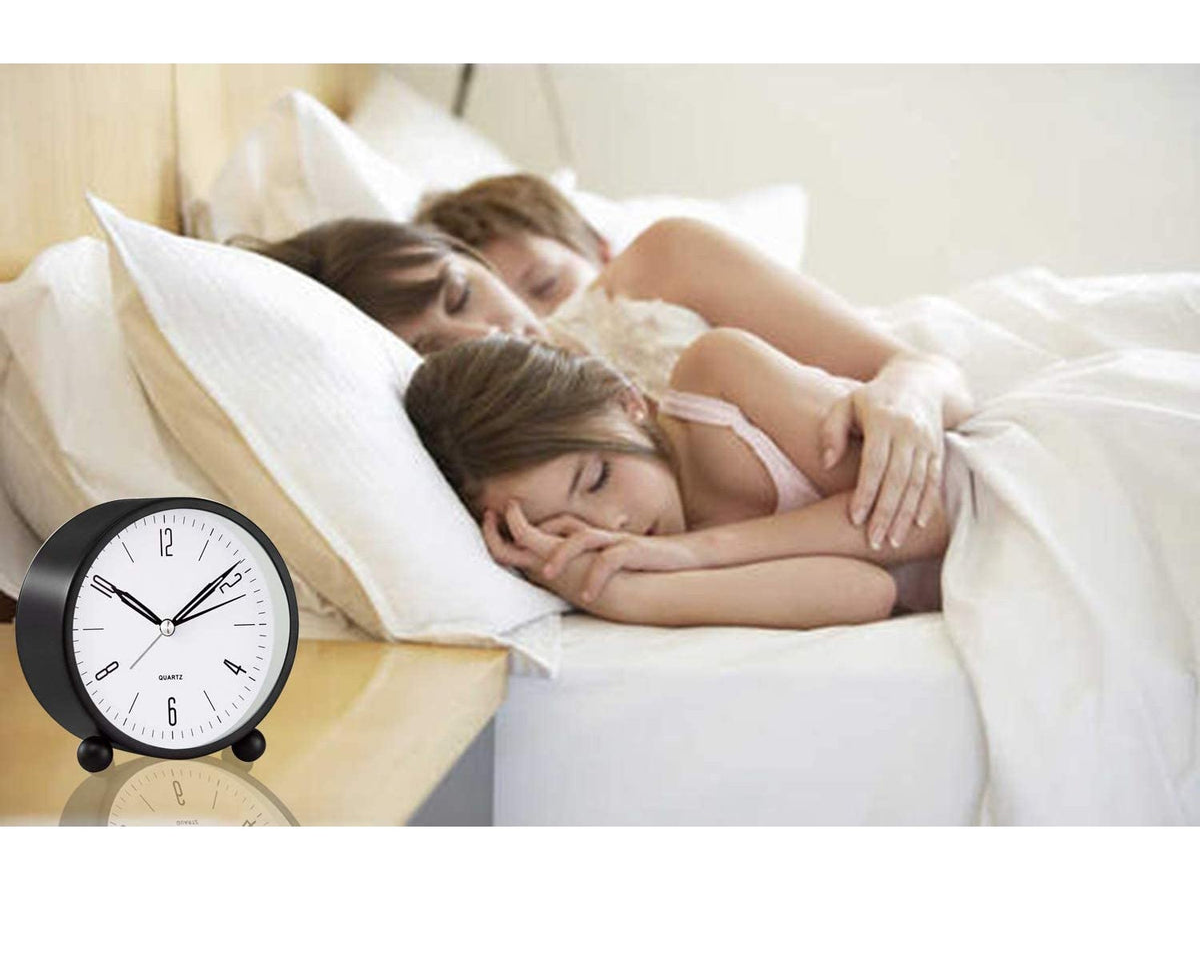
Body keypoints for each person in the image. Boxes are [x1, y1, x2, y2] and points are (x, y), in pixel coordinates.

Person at [260, 177, 974, 553]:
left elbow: (928, 370)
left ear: (472, 260)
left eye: (461, 294)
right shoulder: (493, 462)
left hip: (935, 464)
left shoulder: (667, 261)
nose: (489, 330)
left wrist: (906, 394)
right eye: (436, 350)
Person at [403, 326, 949, 629]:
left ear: (625, 400)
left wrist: (695, 552)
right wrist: (622, 595)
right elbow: (866, 592)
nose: (613, 525)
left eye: (596, 478)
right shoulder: (631, 564)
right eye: (563, 527)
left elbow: (926, 520)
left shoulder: (719, 381)